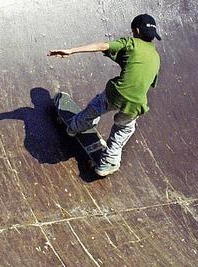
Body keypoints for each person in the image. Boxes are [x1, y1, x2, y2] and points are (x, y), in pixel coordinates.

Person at [48, 14, 161, 177]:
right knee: (123, 129)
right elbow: (147, 81)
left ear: (135, 31)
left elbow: (102, 46)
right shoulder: (156, 57)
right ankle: (108, 163)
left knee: (98, 106)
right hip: (136, 103)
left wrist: (71, 51)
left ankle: (75, 127)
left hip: (116, 92)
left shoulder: (130, 42)